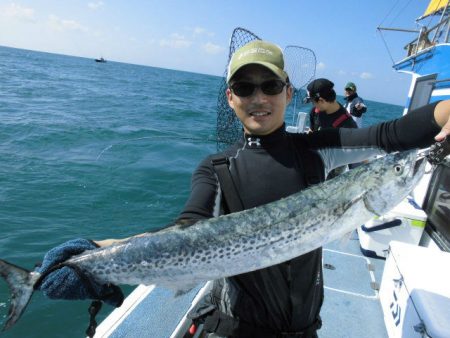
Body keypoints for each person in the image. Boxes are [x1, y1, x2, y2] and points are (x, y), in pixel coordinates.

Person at [36, 40, 450, 338]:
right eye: (246, 88)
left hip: (306, 328)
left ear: (288, 93)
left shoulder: (317, 150)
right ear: (231, 98)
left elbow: (397, 133)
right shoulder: (217, 168)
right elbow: (189, 229)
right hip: (234, 329)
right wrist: (96, 252)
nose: (259, 97)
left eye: (270, 87)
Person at [306, 78, 357, 178]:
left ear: (321, 100)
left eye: (313, 101)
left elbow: (355, 157)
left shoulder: (348, 125)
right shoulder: (315, 112)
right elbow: (311, 131)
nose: (313, 105)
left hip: (332, 171)